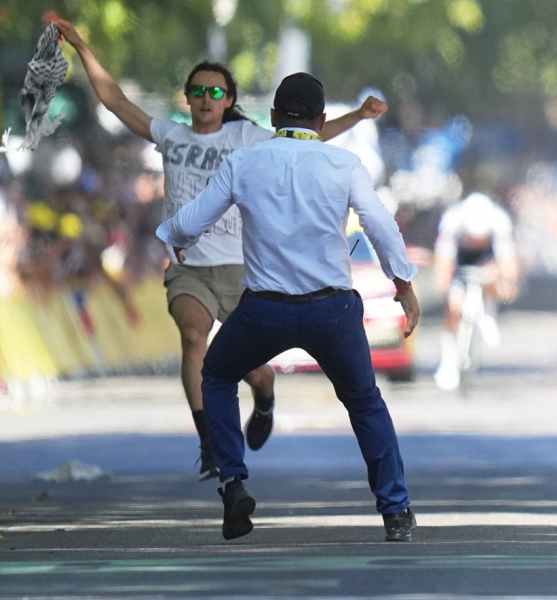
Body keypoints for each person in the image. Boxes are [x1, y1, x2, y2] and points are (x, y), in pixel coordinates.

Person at [55, 19, 387, 480]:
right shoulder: (171, 136)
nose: (206, 100)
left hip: (240, 269)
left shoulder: (247, 139)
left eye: (216, 93)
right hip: (190, 268)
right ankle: (209, 439)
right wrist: (81, 46)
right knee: (194, 337)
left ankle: (264, 391)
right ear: (186, 99)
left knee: (249, 369)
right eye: (198, 91)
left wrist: (356, 117)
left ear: (229, 101)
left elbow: (305, 142)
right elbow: (114, 100)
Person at [156, 72, 420, 542]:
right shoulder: (343, 163)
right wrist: (403, 285)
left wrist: (174, 238)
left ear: (274, 117)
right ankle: (395, 511)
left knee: (215, 375)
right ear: (321, 120)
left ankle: (233, 481)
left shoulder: (246, 162)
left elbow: (194, 217)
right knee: (365, 403)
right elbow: (380, 225)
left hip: (264, 311)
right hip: (331, 312)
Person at [432, 191, 519, 390]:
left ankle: (488, 311)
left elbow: (508, 264)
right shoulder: (452, 221)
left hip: (487, 260)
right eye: (473, 237)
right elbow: (443, 263)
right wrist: (445, 289)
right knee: (454, 306)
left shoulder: (499, 222)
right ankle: (448, 359)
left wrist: (506, 284)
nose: (477, 241)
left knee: (494, 277)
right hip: (460, 259)